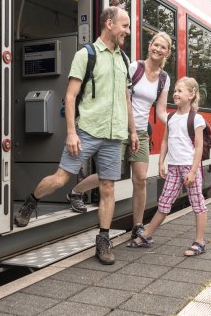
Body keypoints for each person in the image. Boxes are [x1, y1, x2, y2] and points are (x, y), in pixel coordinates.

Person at [14, 6, 137, 265]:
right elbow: (70, 96)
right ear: (109, 23)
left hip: (114, 135)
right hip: (87, 130)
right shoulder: (87, 55)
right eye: (124, 26)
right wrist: (71, 133)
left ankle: (103, 239)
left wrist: (132, 130)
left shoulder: (124, 60)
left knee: (108, 187)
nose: (128, 31)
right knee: (60, 179)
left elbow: (126, 98)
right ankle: (31, 201)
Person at [67, 32, 172, 241]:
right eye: (155, 45)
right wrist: (129, 128)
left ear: (167, 52)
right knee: (110, 174)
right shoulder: (134, 68)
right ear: (149, 46)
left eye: (163, 47)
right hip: (120, 127)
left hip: (142, 132)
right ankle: (76, 191)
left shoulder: (164, 78)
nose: (158, 49)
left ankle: (138, 226)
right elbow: (123, 97)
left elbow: (160, 111)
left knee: (140, 178)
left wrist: (177, 122)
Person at [128, 77, 208, 257]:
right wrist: (160, 162)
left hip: (189, 167)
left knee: (198, 204)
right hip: (173, 167)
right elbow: (164, 141)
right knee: (164, 203)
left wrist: (194, 171)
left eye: (180, 91)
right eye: (175, 91)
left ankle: (200, 242)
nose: (175, 94)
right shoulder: (171, 117)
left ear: (192, 94)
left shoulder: (197, 119)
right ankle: (147, 236)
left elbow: (199, 147)